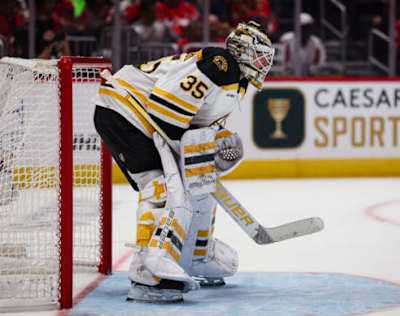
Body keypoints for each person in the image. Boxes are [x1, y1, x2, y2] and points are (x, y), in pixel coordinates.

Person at [93, 21, 274, 303]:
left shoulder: (236, 82)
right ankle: (147, 271)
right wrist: (198, 153)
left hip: (146, 120)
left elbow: (192, 123)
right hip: (126, 110)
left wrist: (216, 141)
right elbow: (165, 108)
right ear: (242, 50)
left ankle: (193, 256)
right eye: (260, 56)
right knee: (162, 190)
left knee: (199, 188)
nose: (264, 63)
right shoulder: (221, 63)